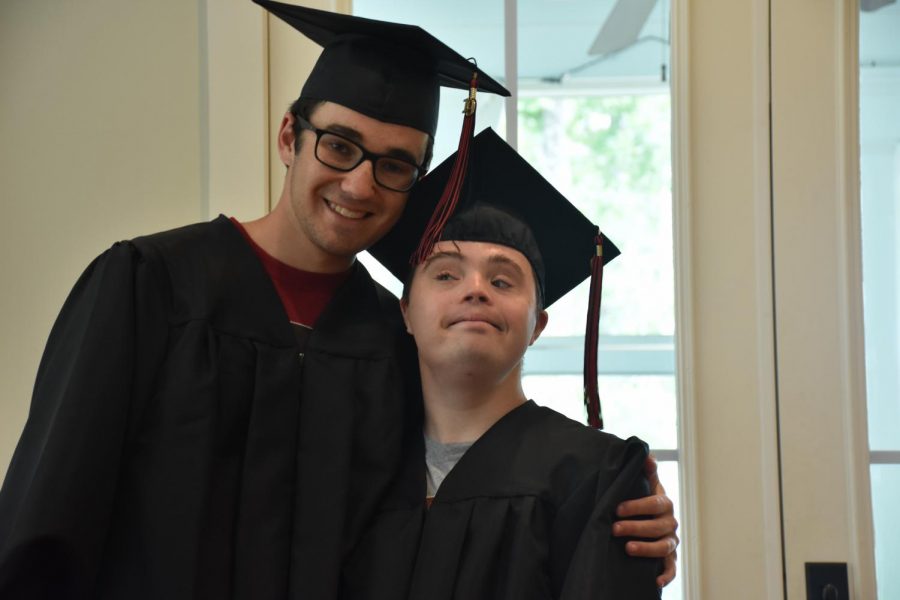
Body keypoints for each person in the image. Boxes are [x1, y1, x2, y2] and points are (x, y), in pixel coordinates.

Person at [0, 2, 676, 598]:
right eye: (339, 146)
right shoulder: (149, 286)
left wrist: (615, 506)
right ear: (290, 137)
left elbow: (464, 475)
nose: (358, 185)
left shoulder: (390, 338)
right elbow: (46, 524)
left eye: (393, 164)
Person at [345, 127, 662, 599]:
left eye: (503, 281)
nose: (475, 289)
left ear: (537, 325)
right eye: (446, 273)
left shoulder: (596, 479)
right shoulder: (351, 470)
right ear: (406, 312)